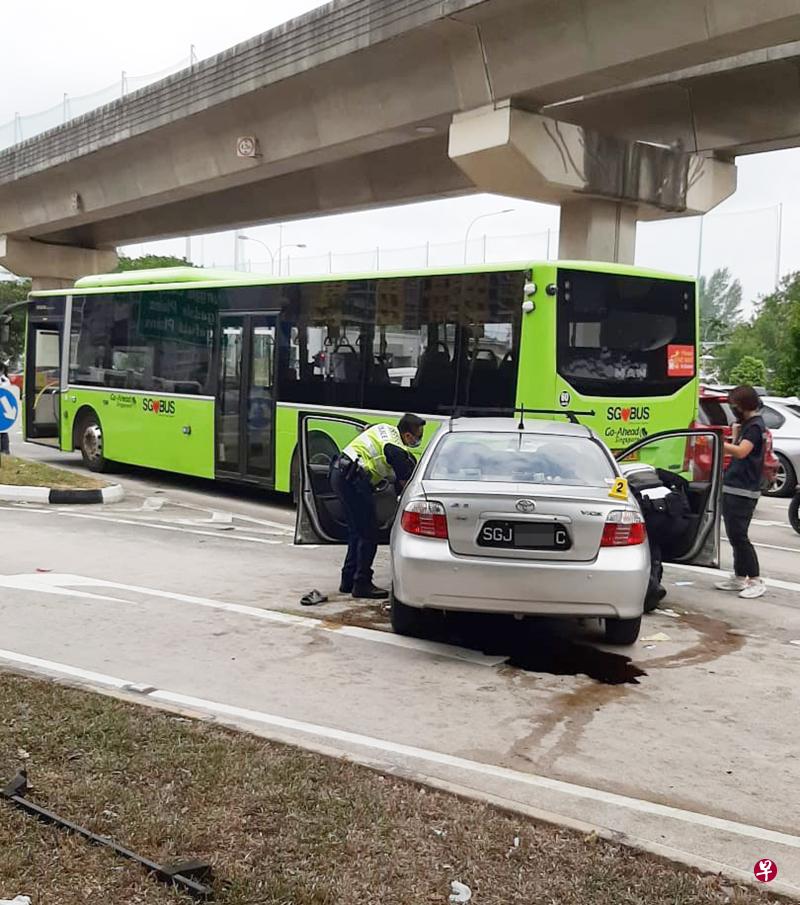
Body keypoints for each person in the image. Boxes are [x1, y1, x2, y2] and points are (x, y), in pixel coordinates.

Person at [330, 413, 426, 599]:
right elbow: (407, 485)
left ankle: (348, 580)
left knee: (356, 531)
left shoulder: (385, 428)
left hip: (339, 472)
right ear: (407, 435)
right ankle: (362, 583)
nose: (418, 440)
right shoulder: (396, 449)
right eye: (418, 436)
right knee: (369, 533)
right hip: (353, 479)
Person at [715, 385, 766, 599]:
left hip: (744, 489)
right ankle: (739, 577)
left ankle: (755, 579)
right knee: (735, 535)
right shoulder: (747, 425)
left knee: (740, 536)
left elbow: (742, 452)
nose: (732, 409)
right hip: (735, 486)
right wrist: (734, 435)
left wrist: (718, 441)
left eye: (734, 405)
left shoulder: (755, 426)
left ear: (744, 405)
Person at [0, 362, 11, 455]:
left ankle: (5, 450)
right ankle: (5, 449)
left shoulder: (5, 381)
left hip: (3, 409)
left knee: (3, 430)